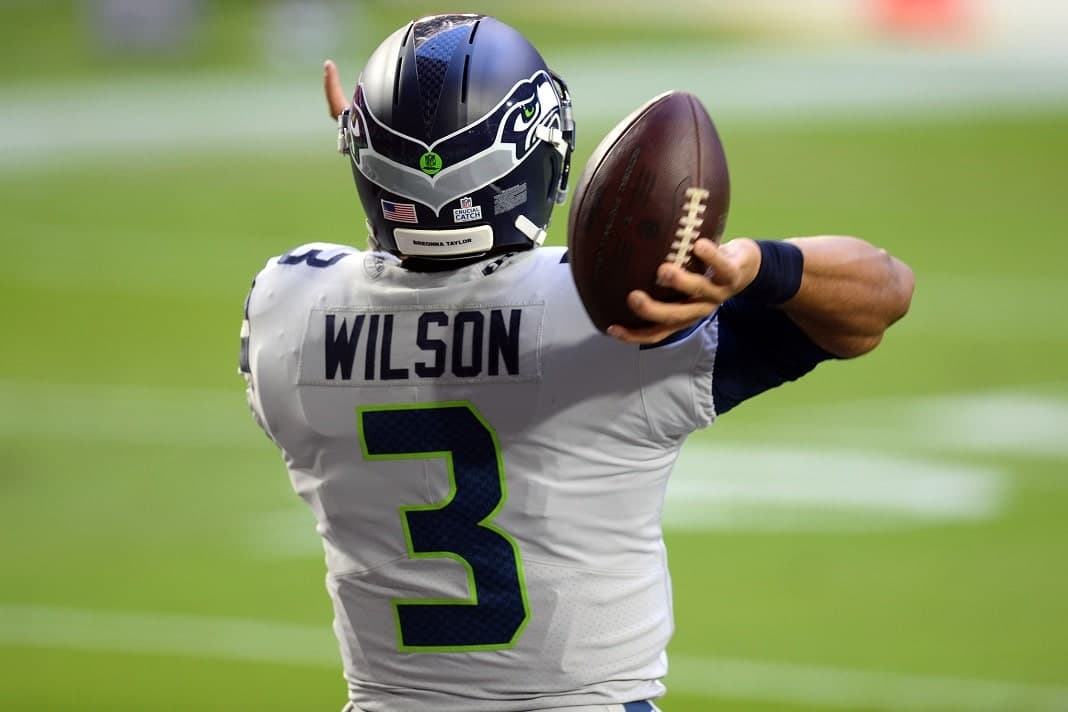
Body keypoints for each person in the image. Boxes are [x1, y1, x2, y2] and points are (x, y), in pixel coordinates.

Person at [240, 13, 914, 712]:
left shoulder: (288, 307)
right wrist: (754, 264)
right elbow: (884, 294)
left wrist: (397, 159)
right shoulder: (617, 314)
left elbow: (401, 305)